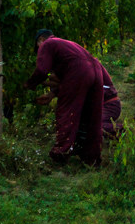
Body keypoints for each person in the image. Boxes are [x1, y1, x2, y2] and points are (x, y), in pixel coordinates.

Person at [25, 29, 104, 165]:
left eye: (38, 46)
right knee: (92, 116)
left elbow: (42, 70)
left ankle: (60, 152)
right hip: (96, 71)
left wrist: (29, 84)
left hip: (79, 71)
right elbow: (67, 78)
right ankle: (92, 158)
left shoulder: (47, 44)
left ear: (40, 40)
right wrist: (52, 94)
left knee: (66, 111)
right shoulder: (68, 44)